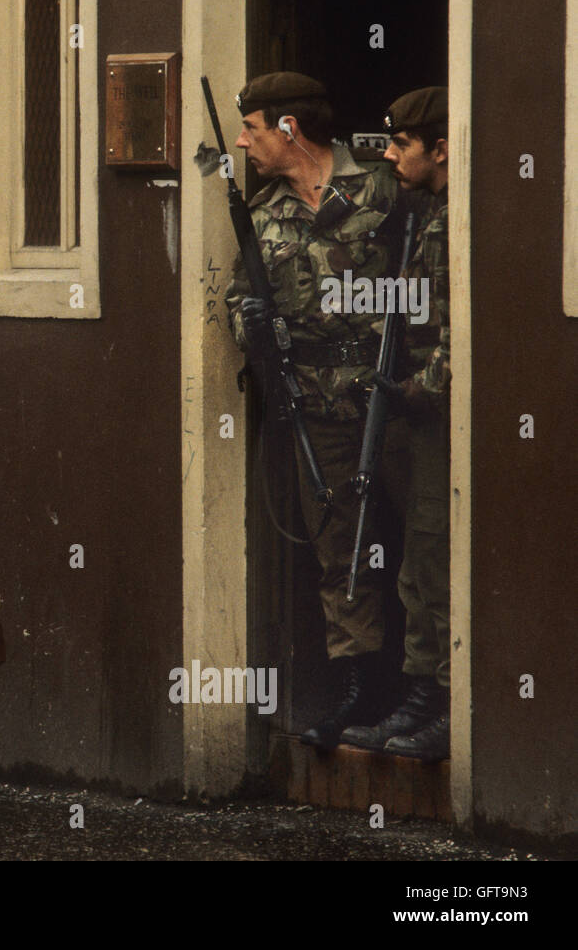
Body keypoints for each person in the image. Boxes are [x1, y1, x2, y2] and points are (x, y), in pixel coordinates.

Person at [223, 73, 410, 749]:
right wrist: (253, 325)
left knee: (420, 541)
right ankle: (361, 688)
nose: (243, 142)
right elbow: (238, 300)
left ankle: (425, 692)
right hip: (319, 412)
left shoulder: (384, 189)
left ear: (290, 129)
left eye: (252, 128)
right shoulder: (265, 213)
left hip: (396, 405)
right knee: (343, 550)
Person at [341, 87, 452, 761]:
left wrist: (420, 387)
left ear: (440, 148)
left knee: (433, 558)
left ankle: (438, 700)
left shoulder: (455, 215)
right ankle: (417, 697)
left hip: (437, 413)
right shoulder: (422, 210)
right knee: (415, 559)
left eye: (401, 144)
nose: (389, 155)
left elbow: (461, 326)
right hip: (415, 412)